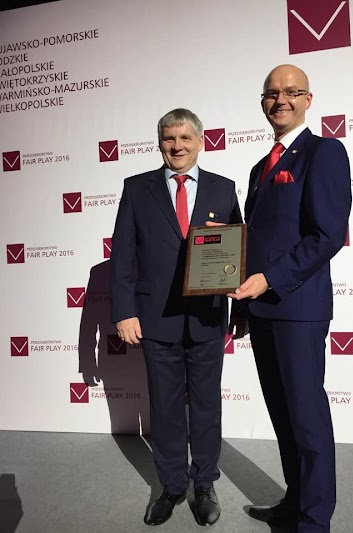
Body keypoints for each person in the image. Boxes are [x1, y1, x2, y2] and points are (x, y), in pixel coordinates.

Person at [229, 65, 351, 533]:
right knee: (283, 417)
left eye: (291, 92)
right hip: (261, 310)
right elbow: (257, 240)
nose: (280, 100)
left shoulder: (324, 152)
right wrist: (243, 304)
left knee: (307, 420)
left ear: (307, 99)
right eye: (271, 94)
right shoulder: (260, 167)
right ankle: (295, 502)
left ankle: (314, 521)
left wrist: (269, 279)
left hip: (298, 308)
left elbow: (327, 235)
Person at [110, 108, 242, 526]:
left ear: (201, 141)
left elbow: (237, 254)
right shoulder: (137, 188)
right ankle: (170, 485)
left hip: (207, 317)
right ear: (159, 143)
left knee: (206, 406)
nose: (177, 146)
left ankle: (204, 484)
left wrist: (240, 308)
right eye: (169, 138)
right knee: (165, 408)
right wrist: (125, 311)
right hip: (154, 318)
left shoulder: (224, 188)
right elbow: (122, 255)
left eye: (185, 138)